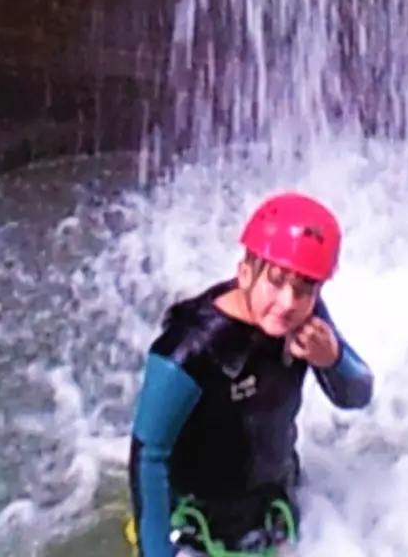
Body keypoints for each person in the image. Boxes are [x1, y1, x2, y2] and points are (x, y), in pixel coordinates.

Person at [126, 191, 374, 556]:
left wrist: (332, 360)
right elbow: (148, 458)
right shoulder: (187, 351)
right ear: (245, 273)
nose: (287, 302)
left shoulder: (308, 319)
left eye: (304, 288)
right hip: (197, 530)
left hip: (275, 510)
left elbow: (359, 395)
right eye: (275, 281)